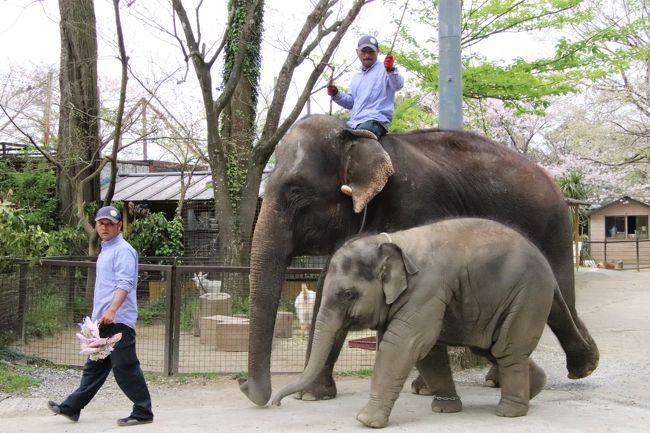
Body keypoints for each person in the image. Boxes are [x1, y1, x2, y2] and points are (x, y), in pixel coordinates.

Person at [47, 205, 153, 427]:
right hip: (103, 322)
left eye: (109, 224)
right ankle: (71, 408)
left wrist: (113, 310)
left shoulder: (123, 250)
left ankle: (143, 411)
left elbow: (125, 283)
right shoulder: (106, 249)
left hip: (118, 322)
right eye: (101, 223)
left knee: (125, 366)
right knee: (94, 367)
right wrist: (97, 318)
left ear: (119, 226)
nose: (104, 227)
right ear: (96, 224)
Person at [327, 34, 405, 139]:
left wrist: (391, 70)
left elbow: (398, 85)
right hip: (354, 123)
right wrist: (336, 94)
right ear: (357, 52)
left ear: (378, 51)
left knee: (357, 141)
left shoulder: (386, 68)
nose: (367, 55)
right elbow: (351, 103)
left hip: (376, 121)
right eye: (364, 51)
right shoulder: (356, 77)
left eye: (371, 51)